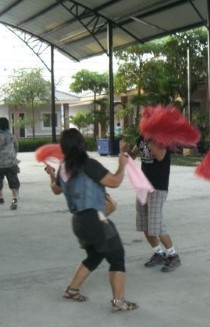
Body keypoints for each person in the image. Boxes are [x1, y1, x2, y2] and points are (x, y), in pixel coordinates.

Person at [44, 128, 137, 312]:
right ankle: (119, 302)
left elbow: (56, 190)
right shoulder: (89, 164)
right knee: (117, 258)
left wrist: (51, 175)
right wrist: (122, 164)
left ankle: (72, 290)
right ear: (81, 144)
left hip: (78, 222)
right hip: (95, 220)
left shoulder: (64, 168)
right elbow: (115, 182)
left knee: (95, 255)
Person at [122, 136, 181, 272]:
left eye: (146, 117)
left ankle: (173, 255)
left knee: (156, 223)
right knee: (144, 223)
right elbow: (131, 156)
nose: (142, 120)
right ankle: (158, 253)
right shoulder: (141, 138)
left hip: (158, 186)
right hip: (143, 185)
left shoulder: (161, 139)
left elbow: (160, 156)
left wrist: (150, 138)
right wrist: (125, 151)